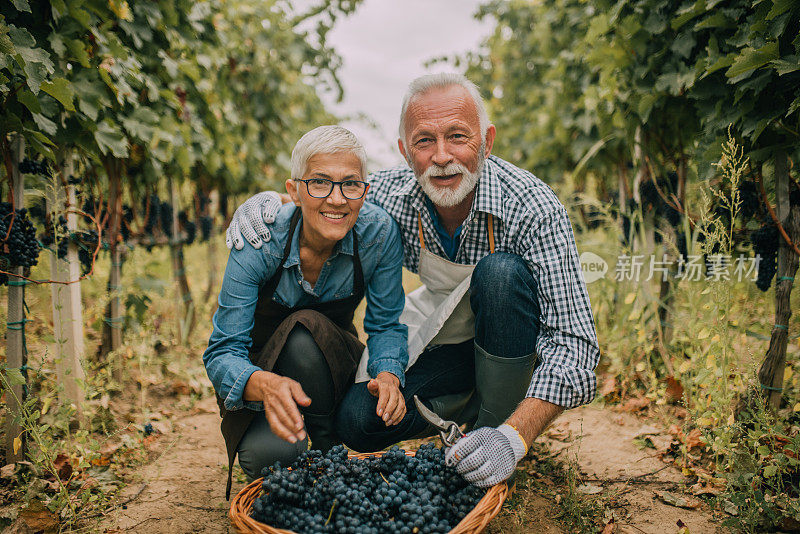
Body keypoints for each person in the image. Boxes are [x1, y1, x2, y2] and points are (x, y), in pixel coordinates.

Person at [225, 73, 600, 488]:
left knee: (499, 274)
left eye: (457, 136)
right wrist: (271, 204)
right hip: (451, 338)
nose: (441, 156)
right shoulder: (383, 196)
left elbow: (577, 348)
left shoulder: (531, 207)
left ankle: (495, 431)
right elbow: (328, 198)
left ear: (487, 142)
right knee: (357, 421)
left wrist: (513, 436)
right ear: (405, 152)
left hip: (513, 341)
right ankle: (468, 411)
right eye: (424, 141)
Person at [204, 126, 408, 499]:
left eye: (350, 184)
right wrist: (263, 383)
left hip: (331, 367)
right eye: (319, 183)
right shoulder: (260, 241)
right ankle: (304, 441)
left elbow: (386, 325)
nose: (336, 199)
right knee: (271, 460)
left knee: (304, 334)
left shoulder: (378, 234)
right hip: (261, 371)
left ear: (364, 190)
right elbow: (222, 352)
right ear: (294, 191)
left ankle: (330, 441)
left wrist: (389, 374)